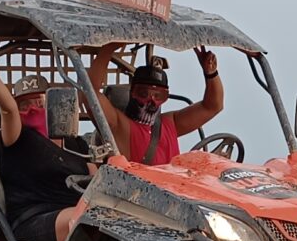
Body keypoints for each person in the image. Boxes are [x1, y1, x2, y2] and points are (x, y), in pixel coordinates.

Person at [0, 44, 90, 241]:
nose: (32, 110)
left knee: (111, 217)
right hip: (33, 218)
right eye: (24, 106)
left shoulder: (75, 143)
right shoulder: (17, 138)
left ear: (53, 105)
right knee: (87, 221)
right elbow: (8, 111)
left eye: (39, 103)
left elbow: (98, 176)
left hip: (76, 209)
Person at [85, 46, 222, 165]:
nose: (151, 101)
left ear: (165, 98)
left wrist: (211, 73)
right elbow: (90, 94)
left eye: (158, 96)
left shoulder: (170, 123)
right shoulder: (119, 125)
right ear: (132, 92)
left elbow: (212, 107)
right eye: (144, 94)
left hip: (175, 190)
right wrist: (108, 50)